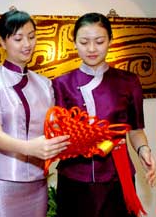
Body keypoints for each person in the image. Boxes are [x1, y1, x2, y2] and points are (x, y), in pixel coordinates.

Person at [52, 12, 156, 217]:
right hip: (74, 177)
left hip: (117, 175)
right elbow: (57, 133)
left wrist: (144, 150)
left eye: (99, 41)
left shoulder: (128, 81)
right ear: (74, 43)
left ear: (110, 40)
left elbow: (135, 130)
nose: (92, 49)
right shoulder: (61, 84)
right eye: (84, 42)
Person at [0, 9, 70, 217]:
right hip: (2, 181)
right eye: (18, 38)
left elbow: (53, 130)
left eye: (31, 37)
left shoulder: (45, 84)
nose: (27, 44)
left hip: (37, 182)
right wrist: (30, 148)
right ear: (2, 41)